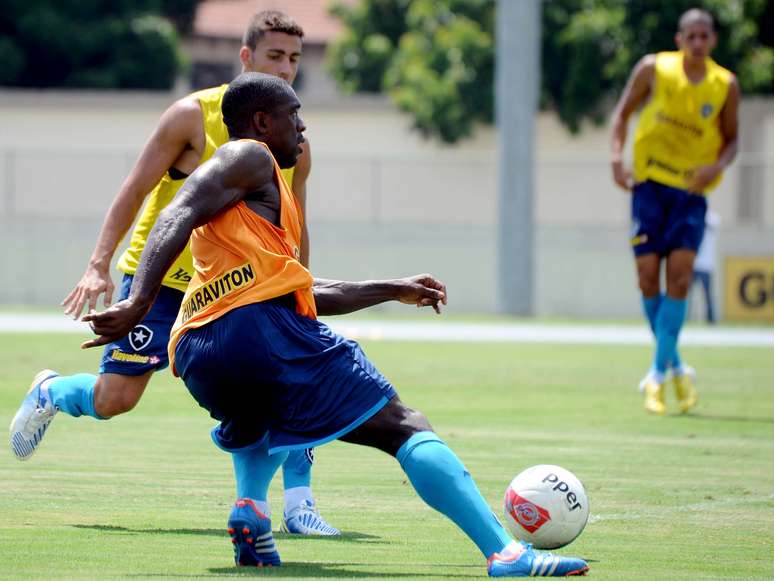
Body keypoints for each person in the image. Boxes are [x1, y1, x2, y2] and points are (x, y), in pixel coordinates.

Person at [82, 73, 589, 576]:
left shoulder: (255, 204)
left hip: (200, 351)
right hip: (252, 333)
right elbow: (175, 213)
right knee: (405, 426)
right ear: (261, 122)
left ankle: (251, 512)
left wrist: (390, 288)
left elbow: (301, 293)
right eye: (294, 115)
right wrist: (138, 302)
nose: (302, 129)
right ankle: (506, 553)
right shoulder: (248, 156)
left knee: (262, 420)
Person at [9, 10, 338, 536]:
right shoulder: (190, 116)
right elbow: (137, 189)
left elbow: (296, 220)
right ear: (246, 57)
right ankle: (52, 391)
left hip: (237, 288)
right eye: (275, 56)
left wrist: (302, 289)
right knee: (115, 399)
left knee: (284, 381)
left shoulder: (295, 141)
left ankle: (297, 503)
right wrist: (98, 265)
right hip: (159, 282)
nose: (285, 69)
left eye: (295, 59)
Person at [610, 8, 739, 415]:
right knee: (648, 278)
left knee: (679, 277)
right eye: (692, 36)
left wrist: (716, 166)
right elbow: (623, 113)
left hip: (690, 194)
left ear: (712, 41)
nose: (698, 42)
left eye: (705, 36)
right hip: (648, 188)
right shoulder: (654, 69)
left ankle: (656, 373)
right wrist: (616, 156)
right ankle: (677, 367)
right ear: (679, 39)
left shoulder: (725, 85)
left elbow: (732, 141)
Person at [691, 209, 719, 324]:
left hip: (707, 265)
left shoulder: (712, 218)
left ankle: (711, 319)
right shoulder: (693, 218)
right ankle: (685, 318)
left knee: (708, 295)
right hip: (693, 264)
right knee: (686, 295)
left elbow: (712, 223)